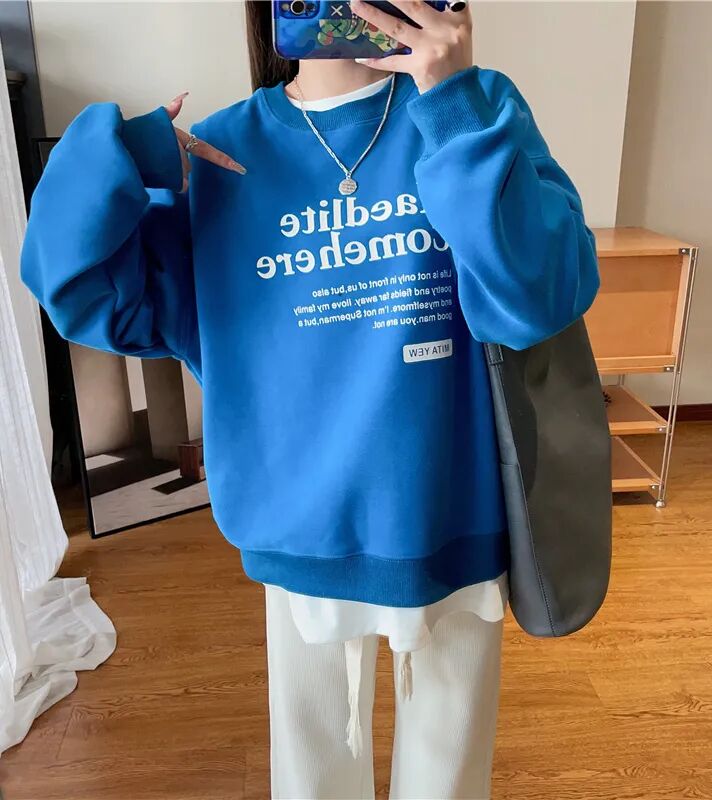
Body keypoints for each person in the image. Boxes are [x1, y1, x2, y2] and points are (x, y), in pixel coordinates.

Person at [20, 1, 599, 797]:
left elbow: (541, 296)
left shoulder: (473, 107)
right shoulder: (224, 152)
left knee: (450, 771)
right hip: (299, 527)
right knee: (314, 774)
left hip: (454, 511)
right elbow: (78, 290)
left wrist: (454, 102)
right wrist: (122, 157)